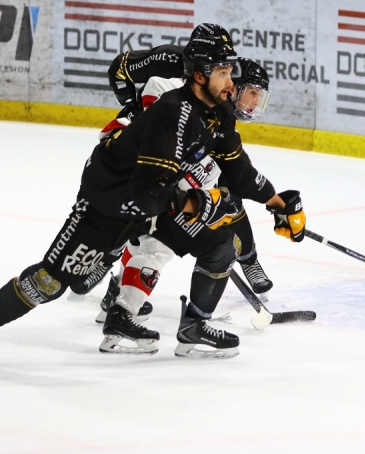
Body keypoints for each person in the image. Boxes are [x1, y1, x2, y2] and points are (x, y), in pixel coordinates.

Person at [0, 27, 306, 359]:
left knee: (218, 244)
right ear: (200, 75)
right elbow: (148, 189)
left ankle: (184, 324)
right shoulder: (171, 106)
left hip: (153, 194)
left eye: (231, 72)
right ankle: (110, 254)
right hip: (111, 196)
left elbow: (240, 172)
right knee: (50, 283)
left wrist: (278, 203)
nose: (231, 82)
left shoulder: (219, 115)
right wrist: (197, 201)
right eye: (222, 72)